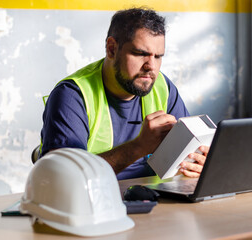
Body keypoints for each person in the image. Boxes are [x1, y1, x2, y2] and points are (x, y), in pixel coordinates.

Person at [40, 7, 209, 180]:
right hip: (95, 202)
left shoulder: (162, 87)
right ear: (112, 49)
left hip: (154, 200)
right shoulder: (72, 95)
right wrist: (139, 147)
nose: (151, 66)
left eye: (158, 56)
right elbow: (63, 178)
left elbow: (187, 154)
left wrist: (197, 162)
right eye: (140, 54)